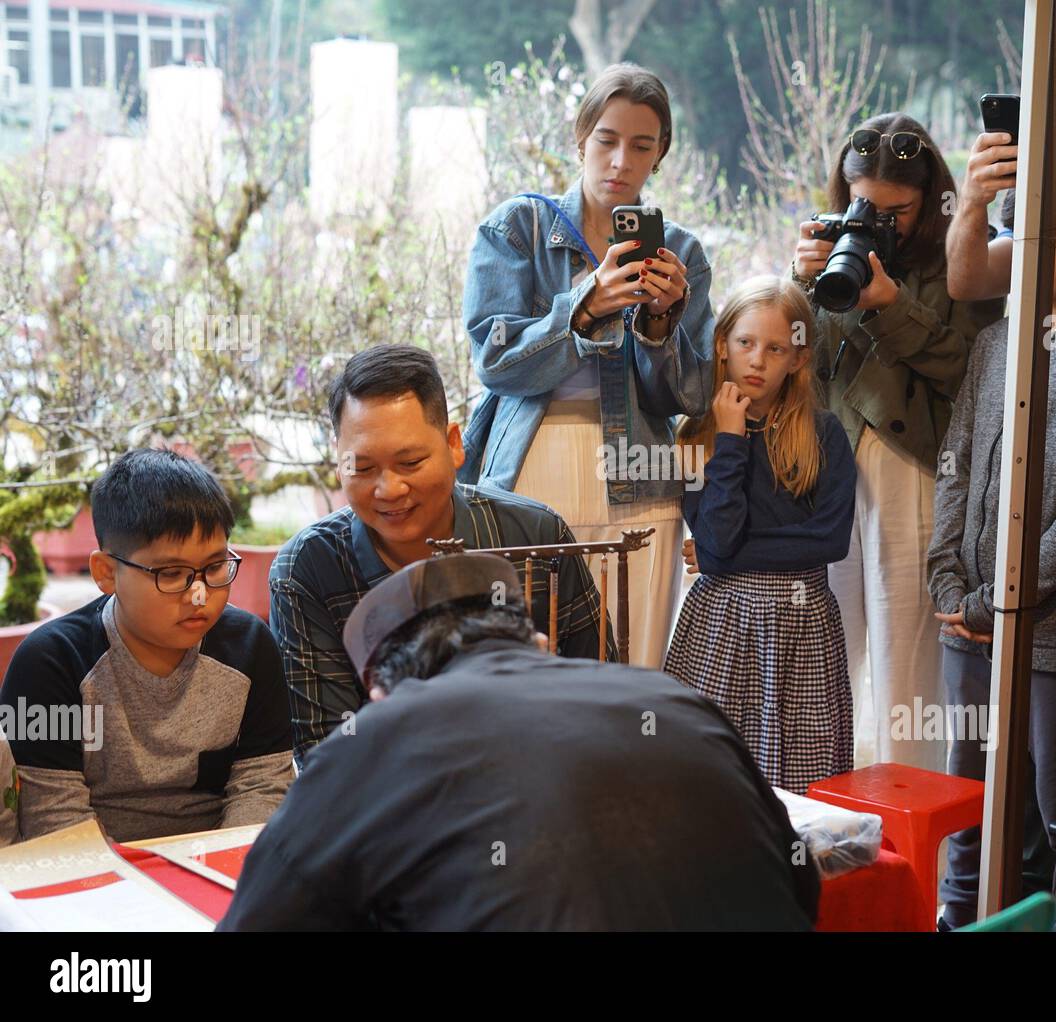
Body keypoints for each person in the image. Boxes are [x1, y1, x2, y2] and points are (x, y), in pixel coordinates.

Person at [219, 553, 821, 931]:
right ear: (537, 644)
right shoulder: (675, 701)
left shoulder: (370, 740)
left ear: (381, 692)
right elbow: (802, 884)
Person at [460, 62, 715, 669]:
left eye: (641, 146)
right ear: (581, 139)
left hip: (641, 478)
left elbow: (693, 395)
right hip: (532, 467)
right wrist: (583, 308)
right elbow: (495, 361)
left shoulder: (680, 253)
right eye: (606, 139)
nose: (620, 161)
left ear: (660, 156)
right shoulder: (516, 227)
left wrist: (659, 326)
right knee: (531, 665)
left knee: (632, 666)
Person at [270, 345, 615, 767]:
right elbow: (328, 757)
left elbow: (600, 697)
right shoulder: (306, 568)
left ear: (453, 444)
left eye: (410, 461)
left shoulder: (539, 538)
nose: (389, 489)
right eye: (362, 469)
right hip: (391, 809)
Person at [791, 113, 1004, 771]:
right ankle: (828, 836)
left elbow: (973, 372)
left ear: (931, 198)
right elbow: (806, 368)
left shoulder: (966, 257)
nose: (881, 222)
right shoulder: (835, 248)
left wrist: (890, 308)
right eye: (862, 205)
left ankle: (917, 850)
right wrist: (802, 287)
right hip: (830, 475)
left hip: (915, 470)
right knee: (824, 668)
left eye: (898, 210)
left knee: (904, 675)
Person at [0, 450, 293, 842]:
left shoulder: (251, 647)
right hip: (93, 879)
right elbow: (53, 816)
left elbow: (262, 787)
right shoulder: (50, 663)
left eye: (215, 567)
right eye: (171, 574)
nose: (200, 595)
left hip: (216, 866)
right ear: (106, 573)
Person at [926, 186, 1056, 931]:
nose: (1029, 246)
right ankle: (959, 924)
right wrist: (946, 577)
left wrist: (1003, 599)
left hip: (1047, 633)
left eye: (1050, 231)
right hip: (970, 625)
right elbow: (952, 463)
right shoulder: (994, 342)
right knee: (970, 804)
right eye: (1018, 231)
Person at [667, 276, 856, 794]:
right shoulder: (696, 437)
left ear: (797, 359)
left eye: (775, 349)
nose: (757, 360)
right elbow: (718, 540)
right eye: (745, 343)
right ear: (722, 346)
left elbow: (829, 542)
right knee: (709, 782)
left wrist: (722, 554)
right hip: (720, 625)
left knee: (799, 780)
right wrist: (730, 440)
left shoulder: (824, 434)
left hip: (803, 624)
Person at [946, 131, 1056, 301]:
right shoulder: (1022, 248)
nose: (1028, 254)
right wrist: (971, 201)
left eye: (1050, 237)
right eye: (1020, 234)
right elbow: (963, 286)